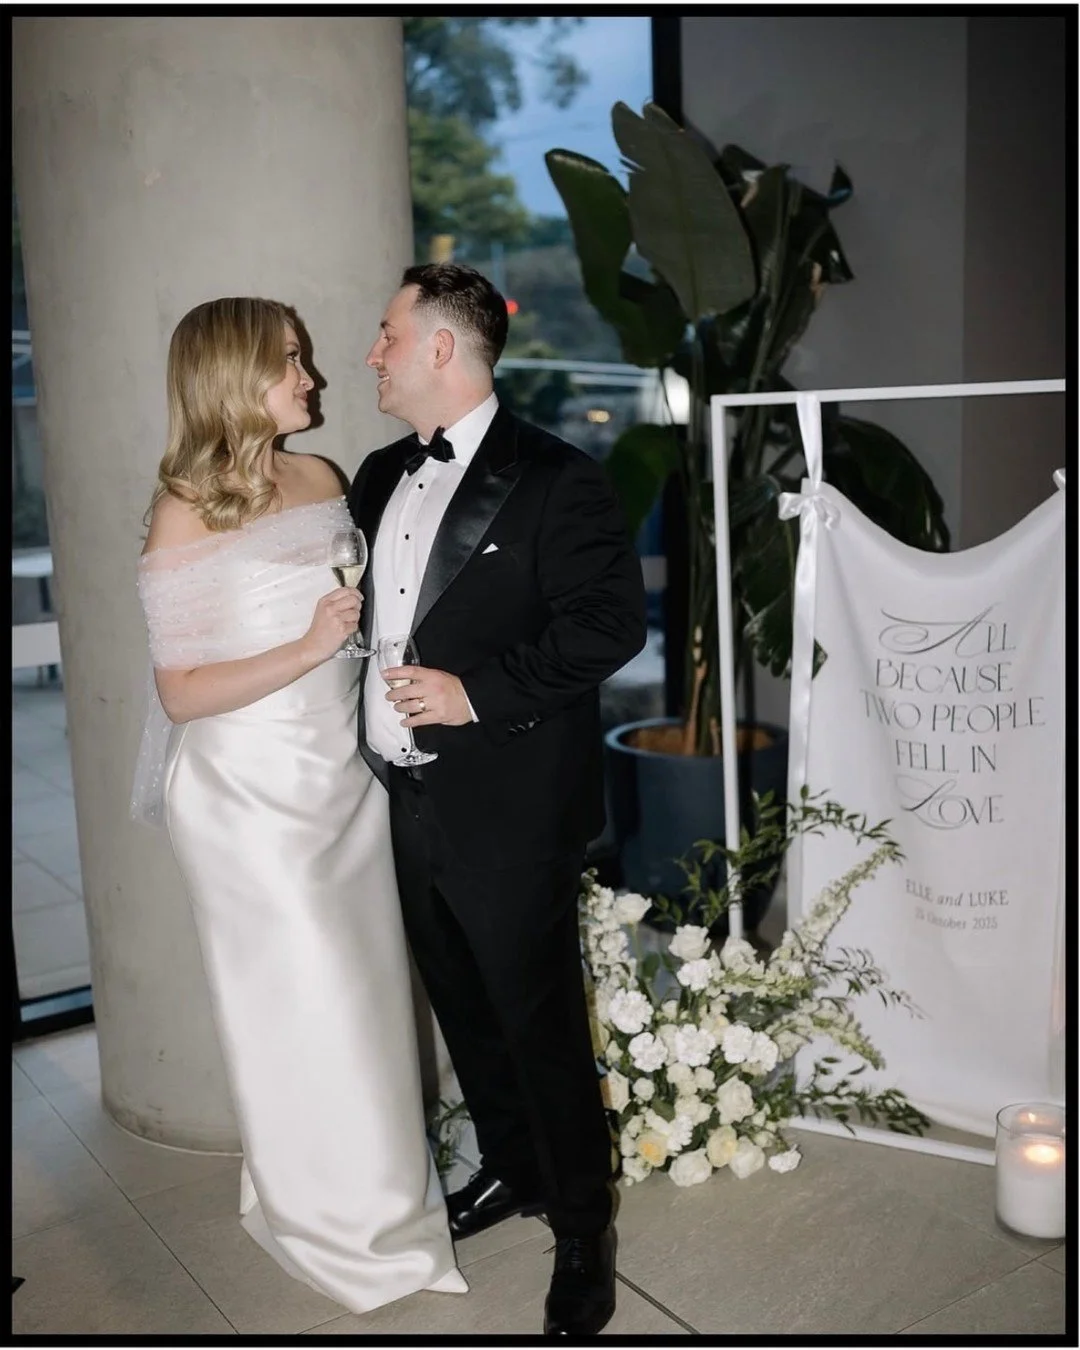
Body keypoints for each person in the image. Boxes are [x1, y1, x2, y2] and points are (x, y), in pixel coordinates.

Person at [131, 297, 467, 1315]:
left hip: (341, 781)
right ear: (233, 373)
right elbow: (181, 693)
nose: (312, 376)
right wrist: (310, 647)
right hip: (246, 800)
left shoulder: (321, 479)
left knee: (363, 1006)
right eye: (290, 360)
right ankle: (344, 1230)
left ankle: (369, 1202)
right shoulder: (184, 506)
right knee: (302, 1011)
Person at [350, 264, 647, 1336]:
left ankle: (581, 1227)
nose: (371, 354)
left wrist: (477, 694)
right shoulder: (378, 475)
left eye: (386, 335)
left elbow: (609, 626)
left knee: (538, 1020)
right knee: (464, 1007)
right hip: (404, 795)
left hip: (512, 799)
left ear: (441, 346)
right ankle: (516, 1170)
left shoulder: (558, 477)